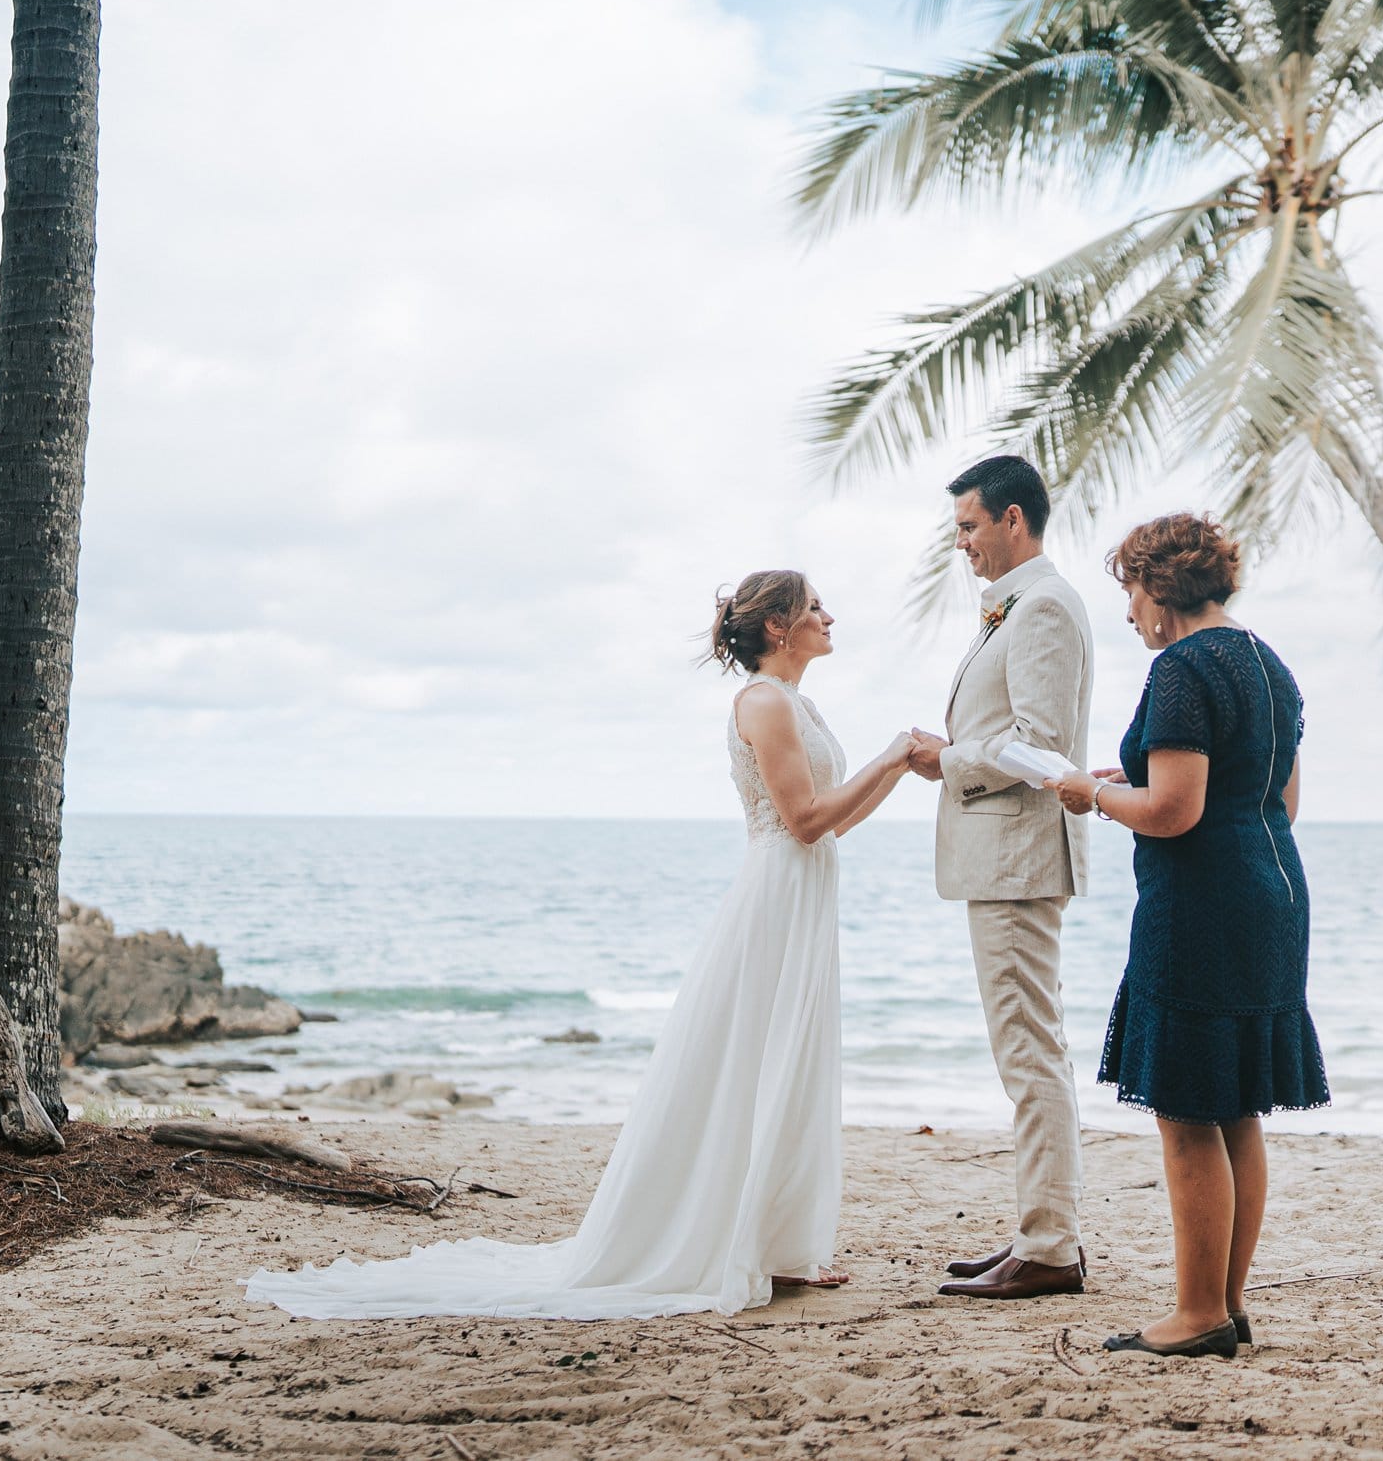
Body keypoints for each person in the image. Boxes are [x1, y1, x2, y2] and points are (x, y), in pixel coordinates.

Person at [244, 571, 913, 1320]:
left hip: (806, 890)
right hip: (777, 896)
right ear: (781, 627)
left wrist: (897, 769)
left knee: (793, 1057)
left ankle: (782, 1243)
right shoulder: (762, 700)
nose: (831, 614)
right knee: (760, 1056)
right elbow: (803, 819)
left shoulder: (799, 702)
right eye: (815, 605)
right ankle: (740, 1241)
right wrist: (891, 758)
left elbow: (833, 821)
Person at [1047, 514, 1328, 1359]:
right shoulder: (1267, 664)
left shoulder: (1181, 669)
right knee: (1235, 1104)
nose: (1129, 612)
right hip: (1273, 887)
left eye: (1130, 591)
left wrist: (1091, 794)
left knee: (1185, 1109)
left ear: (1160, 588)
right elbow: (1276, 798)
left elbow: (1174, 812)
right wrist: (1132, 780)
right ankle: (1226, 1304)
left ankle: (1197, 1311)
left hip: (1201, 903)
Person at [903, 455, 1097, 1300]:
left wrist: (947, 759)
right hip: (1004, 860)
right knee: (1027, 1048)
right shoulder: (1016, 607)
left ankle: (1050, 1245)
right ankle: (1040, 1231)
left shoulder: (1045, 606)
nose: (964, 545)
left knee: (1029, 1053)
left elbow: (1039, 741)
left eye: (970, 527)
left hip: (1019, 860)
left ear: (1014, 519)